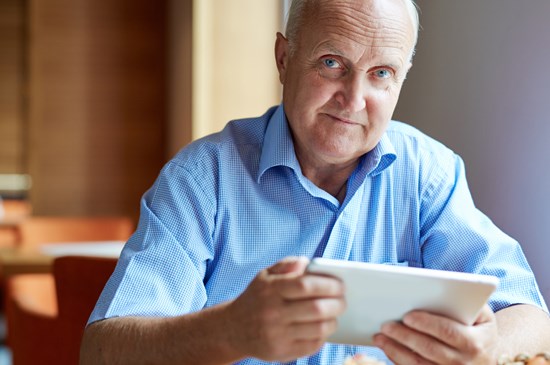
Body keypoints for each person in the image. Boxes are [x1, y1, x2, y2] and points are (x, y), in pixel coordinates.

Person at [80, 0, 550, 364]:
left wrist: (487, 350)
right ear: (285, 58)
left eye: (381, 74)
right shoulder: (203, 179)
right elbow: (102, 351)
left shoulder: (430, 174)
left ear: (400, 81)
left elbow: (532, 318)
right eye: (331, 63)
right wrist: (232, 331)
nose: (354, 99)